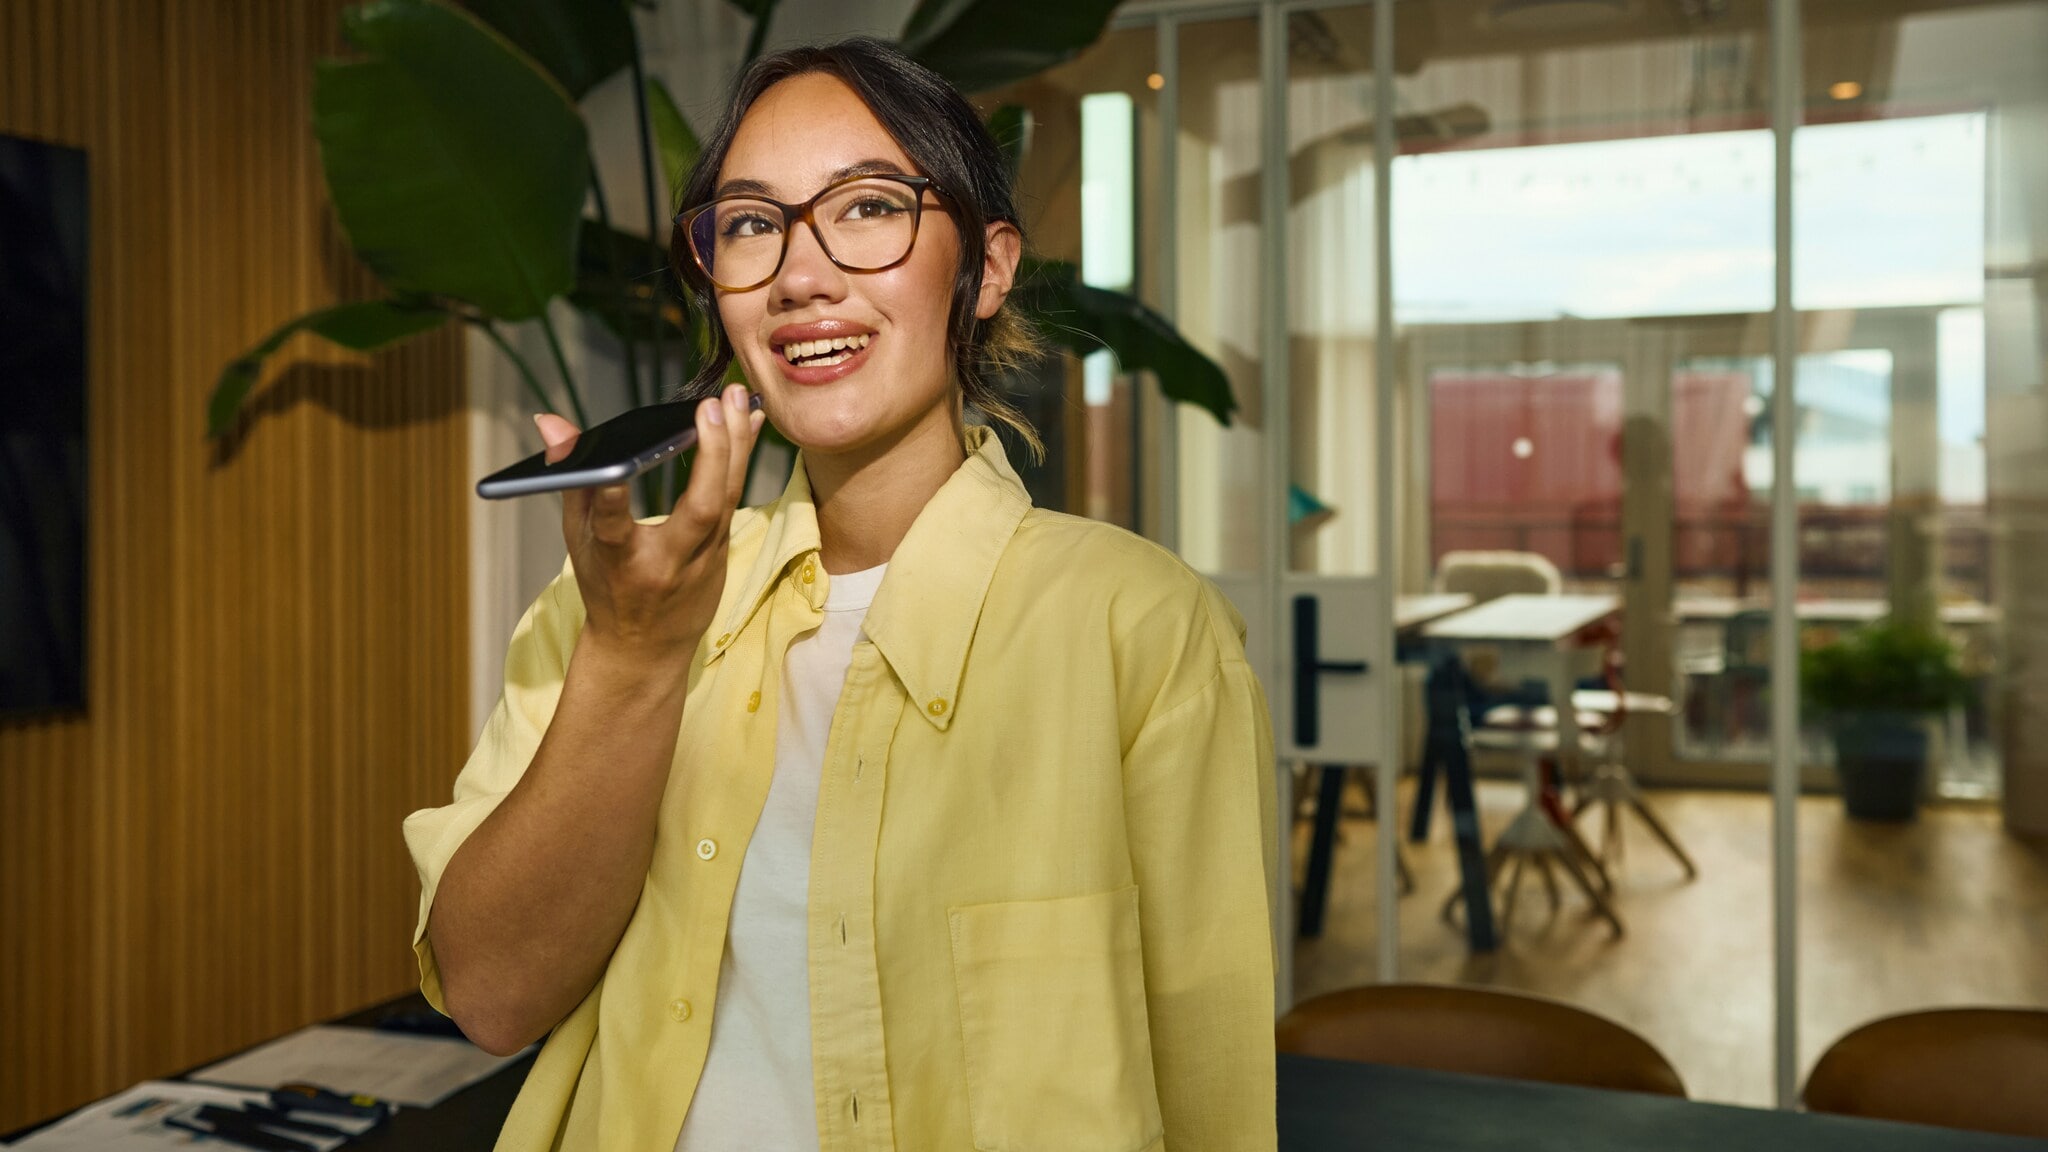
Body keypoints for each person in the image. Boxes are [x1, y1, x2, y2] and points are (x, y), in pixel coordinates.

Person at [404, 36, 1276, 1152]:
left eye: (867, 208)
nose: (800, 276)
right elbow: (492, 995)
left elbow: (1211, 1093)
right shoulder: (611, 606)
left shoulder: (1137, 630)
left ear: (987, 269)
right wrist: (633, 660)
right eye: (752, 224)